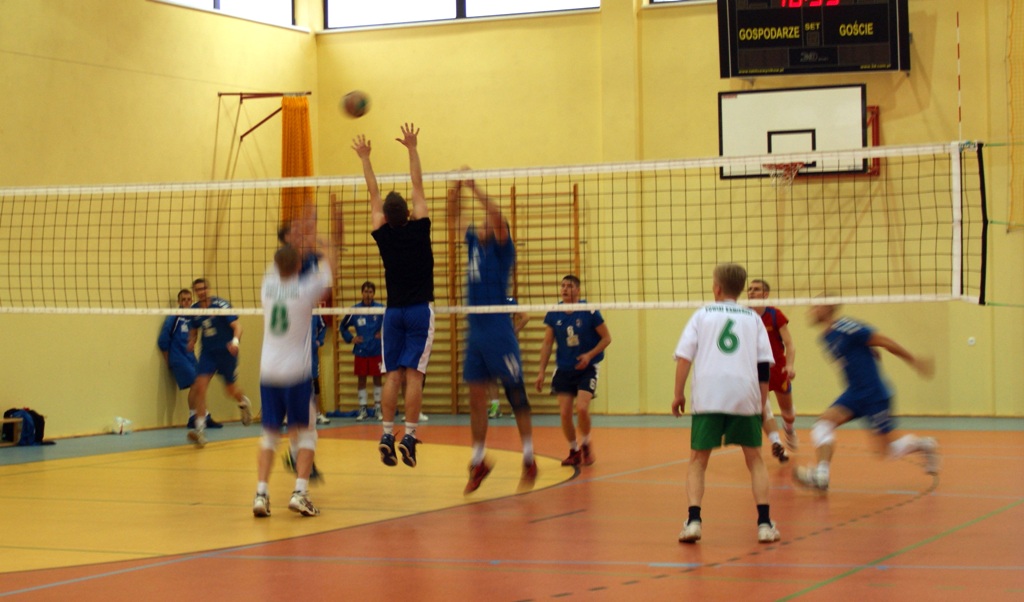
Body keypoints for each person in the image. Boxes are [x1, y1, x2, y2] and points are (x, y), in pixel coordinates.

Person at [672, 262, 780, 544]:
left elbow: (684, 358)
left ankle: (693, 521)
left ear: (717, 288)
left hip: (708, 394)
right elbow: (764, 365)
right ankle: (764, 524)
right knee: (755, 460)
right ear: (741, 289)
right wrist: (761, 402)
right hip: (744, 393)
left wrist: (678, 394)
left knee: (698, 461)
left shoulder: (702, 314)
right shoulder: (753, 318)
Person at [449, 175, 537, 494]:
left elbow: (498, 216)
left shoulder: (503, 249)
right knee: (476, 398)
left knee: (516, 395)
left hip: (499, 330)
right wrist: (455, 191)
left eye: (487, 221)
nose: (483, 223)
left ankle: (529, 457)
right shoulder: (474, 242)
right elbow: (453, 217)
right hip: (476, 331)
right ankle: (478, 460)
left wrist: (475, 189)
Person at [352, 123, 433, 468]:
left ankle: (386, 434)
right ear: (409, 213)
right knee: (414, 375)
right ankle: (409, 437)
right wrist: (412, 148)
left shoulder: (382, 234)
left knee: (392, 376)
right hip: (419, 311)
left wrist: (365, 158)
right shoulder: (421, 227)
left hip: (393, 313)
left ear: (385, 217)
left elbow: (373, 192)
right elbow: (417, 184)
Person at [794, 301, 939, 491]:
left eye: (815, 307)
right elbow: (866, 353)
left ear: (827, 308)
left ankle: (924, 444)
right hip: (854, 393)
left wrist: (914, 360)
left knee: (886, 451)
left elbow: (883, 341)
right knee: (823, 425)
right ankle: (821, 475)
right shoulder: (826, 338)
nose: (811, 311)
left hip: (874, 394)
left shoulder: (847, 327)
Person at [252, 233, 336, 518]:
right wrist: (325, 247)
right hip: (295, 374)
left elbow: (281, 262)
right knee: (307, 433)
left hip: (268, 371)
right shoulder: (306, 290)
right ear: (299, 265)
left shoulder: (267, 287)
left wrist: (294, 241)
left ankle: (261, 494)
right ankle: (300, 492)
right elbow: (330, 270)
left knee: (269, 436)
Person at [534, 274, 612, 467]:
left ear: (578, 290)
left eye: (569, 286)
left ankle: (586, 443)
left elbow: (607, 338)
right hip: (564, 368)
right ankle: (573, 450)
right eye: (562, 286)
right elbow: (547, 343)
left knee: (582, 408)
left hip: (588, 367)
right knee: (564, 413)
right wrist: (541, 371)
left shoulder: (589, 310)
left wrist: (589, 355)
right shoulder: (555, 312)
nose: (565, 289)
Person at [186, 278, 253, 447]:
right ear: (195, 292)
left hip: (227, 352)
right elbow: (194, 330)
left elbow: (238, 327)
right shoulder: (194, 310)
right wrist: (192, 341)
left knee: (229, 390)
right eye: (198, 289)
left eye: (203, 288)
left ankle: (243, 402)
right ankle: (200, 431)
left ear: (208, 289)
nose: (201, 292)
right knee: (200, 387)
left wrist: (235, 342)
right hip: (208, 354)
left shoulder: (221, 305)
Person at [746, 279, 797, 463]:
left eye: (756, 289)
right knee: (763, 408)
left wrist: (789, 365)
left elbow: (790, 344)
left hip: (778, 369)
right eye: (750, 289)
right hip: (757, 370)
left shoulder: (775, 315)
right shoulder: (744, 315)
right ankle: (777, 443)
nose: (751, 292)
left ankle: (789, 429)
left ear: (765, 294)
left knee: (788, 413)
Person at [157, 288, 222, 429]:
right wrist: (168, 360)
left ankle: (203, 416)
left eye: (188, 299)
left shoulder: (193, 317)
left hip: (190, 357)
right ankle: (194, 417)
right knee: (195, 383)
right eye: (183, 300)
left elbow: (196, 333)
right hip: (178, 357)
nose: (186, 302)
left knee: (201, 383)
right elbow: (162, 340)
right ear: (179, 302)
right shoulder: (174, 317)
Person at [339, 281, 384, 421]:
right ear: (362, 293)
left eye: (370, 292)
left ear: (374, 293)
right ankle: (363, 409)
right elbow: (342, 327)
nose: (368, 294)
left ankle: (378, 408)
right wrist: (351, 338)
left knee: (377, 378)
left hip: (376, 349)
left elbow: (391, 324)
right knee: (361, 379)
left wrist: (383, 334)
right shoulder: (355, 310)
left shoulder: (381, 309)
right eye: (365, 292)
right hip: (361, 350)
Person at [488, 301, 530, 419]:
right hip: (490, 342)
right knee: (491, 375)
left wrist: (514, 331)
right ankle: (495, 406)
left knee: (512, 375)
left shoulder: (508, 301)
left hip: (506, 344)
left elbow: (526, 317)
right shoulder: (486, 301)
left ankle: (516, 406)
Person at [311, 315, 330, 425]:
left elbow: (323, 326)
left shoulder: (315, 313)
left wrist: (319, 341)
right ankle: (289, 416)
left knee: (314, 382)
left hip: (312, 354)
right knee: (293, 383)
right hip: (296, 354)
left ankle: (317, 414)